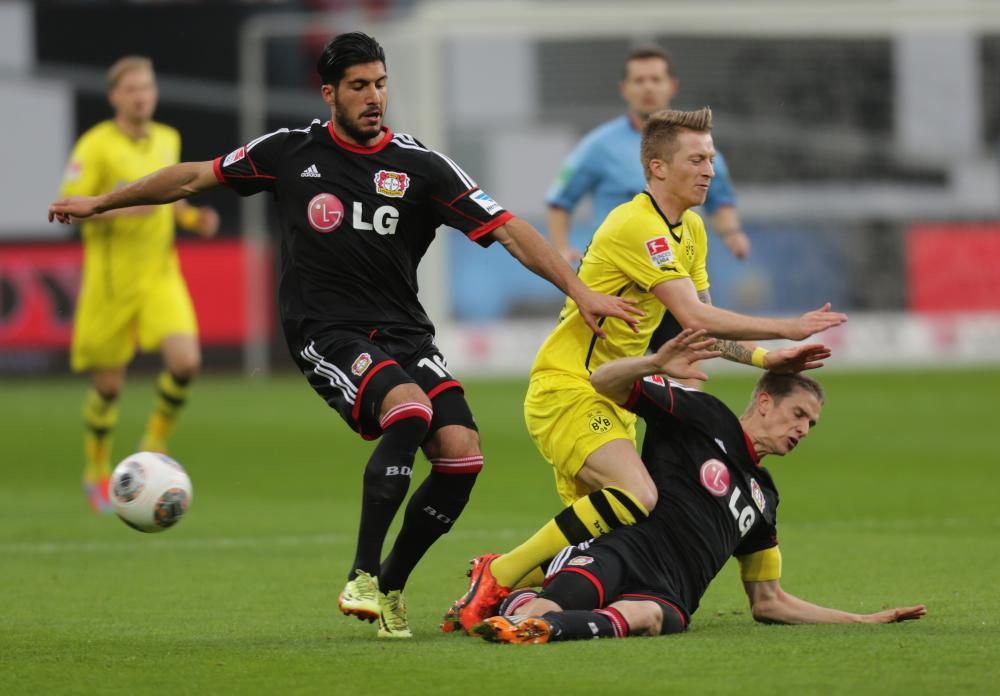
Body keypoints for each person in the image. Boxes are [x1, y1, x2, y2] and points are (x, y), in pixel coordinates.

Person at [49, 32, 640, 640]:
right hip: (324, 329)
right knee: (407, 411)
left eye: (380, 84)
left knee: (462, 453)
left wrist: (580, 291)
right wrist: (102, 203)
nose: (374, 97)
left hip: (405, 335)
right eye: (359, 86)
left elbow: (509, 228)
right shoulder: (289, 151)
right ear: (330, 92)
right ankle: (359, 574)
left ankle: (389, 587)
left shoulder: (422, 166)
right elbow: (191, 179)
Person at [443, 107, 846, 634]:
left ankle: (501, 604)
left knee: (611, 533)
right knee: (639, 496)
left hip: (617, 397)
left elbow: (703, 332)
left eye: (712, 159)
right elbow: (696, 314)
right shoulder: (636, 225)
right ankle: (496, 574)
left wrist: (768, 360)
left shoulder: (693, 230)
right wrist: (787, 328)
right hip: (570, 385)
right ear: (657, 167)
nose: (709, 170)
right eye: (697, 159)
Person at [474, 330, 926, 644]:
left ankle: (533, 623)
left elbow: (768, 601)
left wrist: (861, 619)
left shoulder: (764, 499)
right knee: (555, 604)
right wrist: (654, 363)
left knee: (647, 617)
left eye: (811, 423)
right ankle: (519, 606)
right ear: (765, 402)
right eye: (799, 415)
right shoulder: (704, 416)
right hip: (623, 552)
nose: (804, 429)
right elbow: (604, 382)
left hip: (671, 596)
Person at [59, 56, 220, 514]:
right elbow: (73, 207)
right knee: (109, 387)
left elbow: (170, 201)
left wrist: (192, 217)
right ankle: (95, 470)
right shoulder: (94, 147)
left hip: (159, 275)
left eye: (147, 87)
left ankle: (153, 446)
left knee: (186, 361)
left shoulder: (168, 138)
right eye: (132, 89)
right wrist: (126, 208)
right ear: (115, 97)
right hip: (111, 282)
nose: (141, 96)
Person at [546, 46, 749, 352]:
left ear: (672, 86)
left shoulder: (695, 146)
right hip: (621, 283)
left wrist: (731, 233)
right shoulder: (598, 146)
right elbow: (561, 200)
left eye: (655, 79)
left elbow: (719, 198)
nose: (648, 87)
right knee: (617, 374)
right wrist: (561, 246)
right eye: (639, 80)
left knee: (690, 369)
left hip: (671, 275)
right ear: (624, 89)